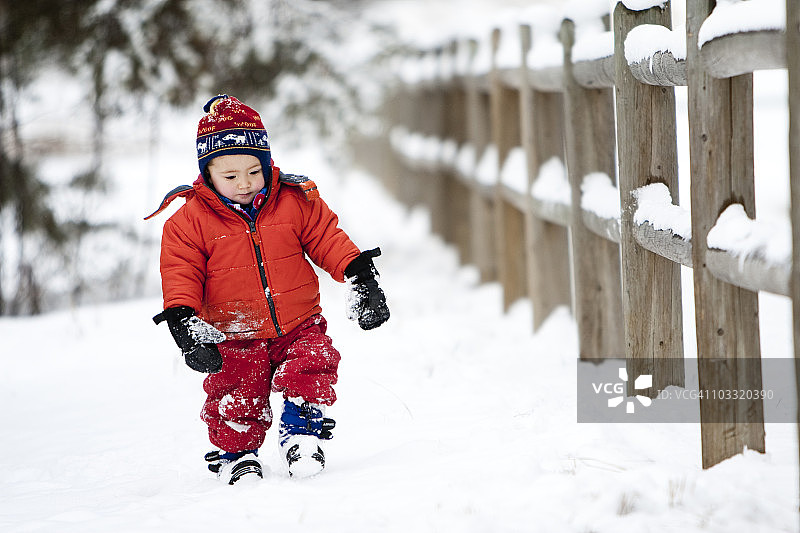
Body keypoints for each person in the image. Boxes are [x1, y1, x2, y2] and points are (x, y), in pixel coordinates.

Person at [145, 94, 389, 484]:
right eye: (229, 176)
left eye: (253, 171)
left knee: (314, 363)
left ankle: (302, 434)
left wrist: (360, 275)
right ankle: (235, 453)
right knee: (237, 395)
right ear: (207, 173)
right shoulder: (188, 222)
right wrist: (184, 322)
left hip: (299, 321)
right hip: (232, 330)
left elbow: (327, 238)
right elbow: (180, 272)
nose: (243, 183)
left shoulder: (295, 200)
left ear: (267, 162)